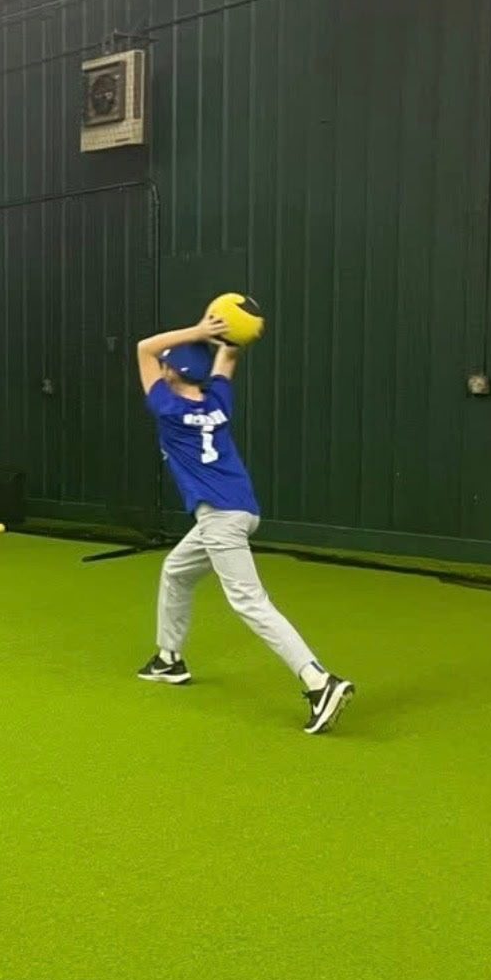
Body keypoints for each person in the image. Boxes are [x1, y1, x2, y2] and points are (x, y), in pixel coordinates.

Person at [135, 313, 354, 735]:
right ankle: (168, 658)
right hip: (241, 510)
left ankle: (318, 682)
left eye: (166, 363)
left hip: (220, 518)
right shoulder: (218, 399)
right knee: (176, 571)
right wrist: (237, 327)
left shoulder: (167, 409)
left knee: (250, 602)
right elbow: (231, 351)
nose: (158, 364)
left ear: (171, 371)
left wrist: (200, 331)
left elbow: (143, 346)